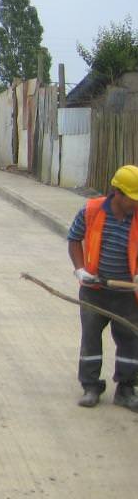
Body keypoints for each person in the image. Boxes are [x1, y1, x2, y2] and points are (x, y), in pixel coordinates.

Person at [67, 164, 138, 410]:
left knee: (130, 341)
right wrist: (80, 269)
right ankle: (90, 386)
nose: (135, 204)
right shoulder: (92, 210)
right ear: (117, 193)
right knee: (90, 339)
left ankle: (126, 389)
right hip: (94, 291)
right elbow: (74, 238)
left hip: (128, 294)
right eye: (133, 199)